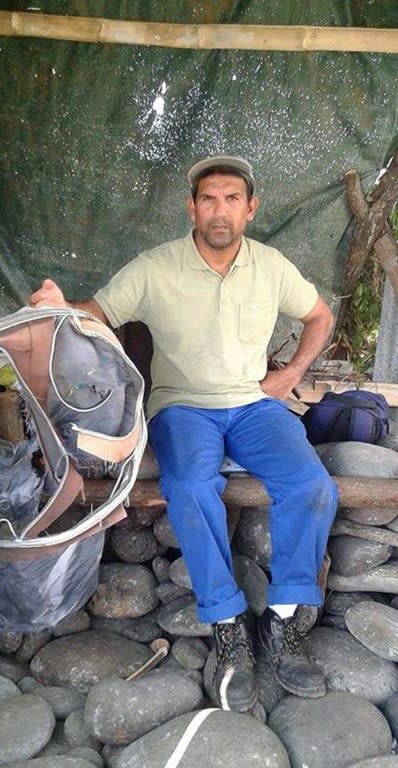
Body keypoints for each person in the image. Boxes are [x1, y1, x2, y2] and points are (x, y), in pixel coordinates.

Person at [30, 155, 339, 713]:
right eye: (208, 199)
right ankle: (227, 624)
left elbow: (319, 315)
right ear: (191, 206)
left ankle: (285, 621)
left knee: (313, 485)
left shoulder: (271, 265)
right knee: (192, 486)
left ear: (250, 209)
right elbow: (95, 313)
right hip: (182, 407)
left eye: (231, 199)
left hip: (254, 405)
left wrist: (291, 374)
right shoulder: (155, 266)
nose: (219, 211)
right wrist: (60, 307)